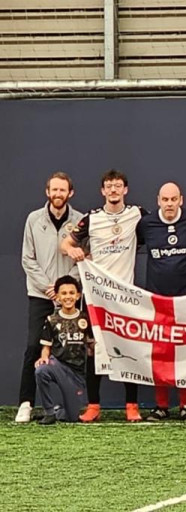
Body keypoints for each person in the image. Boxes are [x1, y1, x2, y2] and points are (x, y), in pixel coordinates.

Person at [62, 170, 186, 422]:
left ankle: (132, 405)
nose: (114, 190)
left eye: (118, 186)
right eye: (109, 186)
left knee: (130, 349)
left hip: (126, 297)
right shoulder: (91, 219)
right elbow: (65, 244)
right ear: (103, 191)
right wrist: (74, 252)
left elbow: (166, 226)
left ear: (125, 190)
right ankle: (93, 405)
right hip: (97, 296)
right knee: (94, 350)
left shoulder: (138, 215)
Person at [138, 182, 186, 422]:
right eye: (165, 199)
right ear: (158, 200)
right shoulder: (147, 224)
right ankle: (161, 406)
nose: (169, 204)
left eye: (174, 199)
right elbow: (129, 247)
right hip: (157, 299)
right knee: (160, 353)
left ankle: (185, 406)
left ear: (181, 200)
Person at [17, 172, 82, 424]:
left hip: (69, 298)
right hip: (41, 294)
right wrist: (49, 288)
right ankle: (26, 403)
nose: (58, 194)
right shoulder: (34, 219)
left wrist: (66, 289)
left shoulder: (79, 220)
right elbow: (27, 259)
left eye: (62, 190)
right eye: (53, 190)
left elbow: (83, 257)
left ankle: (77, 402)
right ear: (47, 192)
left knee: (75, 348)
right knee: (34, 346)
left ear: (70, 193)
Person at [33, 276, 93, 425]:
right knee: (41, 370)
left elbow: (91, 343)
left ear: (78, 295)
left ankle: (56, 410)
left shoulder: (85, 318)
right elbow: (46, 346)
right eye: (64, 293)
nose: (68, 297)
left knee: (71, 417)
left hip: (77, 374)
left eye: (71, 293)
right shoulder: (51, 319)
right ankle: (49, 412)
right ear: (58, 296)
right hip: (58, 365)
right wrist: (43, 358)